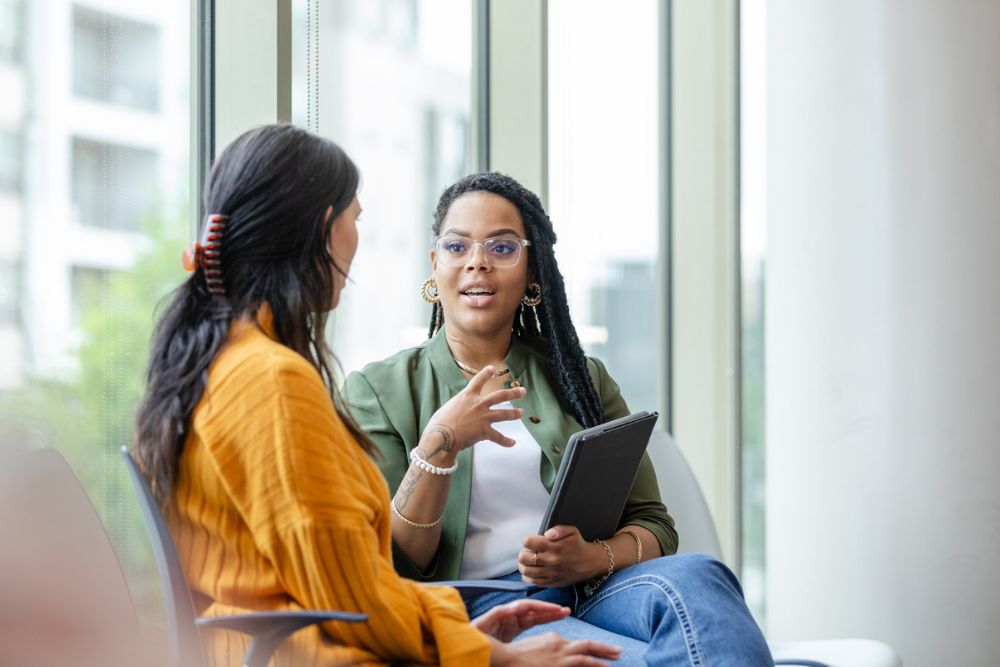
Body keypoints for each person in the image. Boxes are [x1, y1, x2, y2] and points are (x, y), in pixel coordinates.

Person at [131, 125, 622, 667]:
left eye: (501, 247)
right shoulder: (272, 383)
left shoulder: (226, 363)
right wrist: (495, 657)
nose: (477, 262)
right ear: (326, 228)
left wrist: (462, 633)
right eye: (356, 219)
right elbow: (352, 600)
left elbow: (346, 587)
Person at [345, 172, 774, 665]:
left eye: (502, 247)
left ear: (532, 272)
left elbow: (656, 525)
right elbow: (398, 562)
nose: (477, 262)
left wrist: (590, 559)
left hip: (599, 586)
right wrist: (441, 441)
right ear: (435, 265)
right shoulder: (378, 391)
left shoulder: (579, 377)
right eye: (457, 245)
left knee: (701, 576)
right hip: (486, 603)